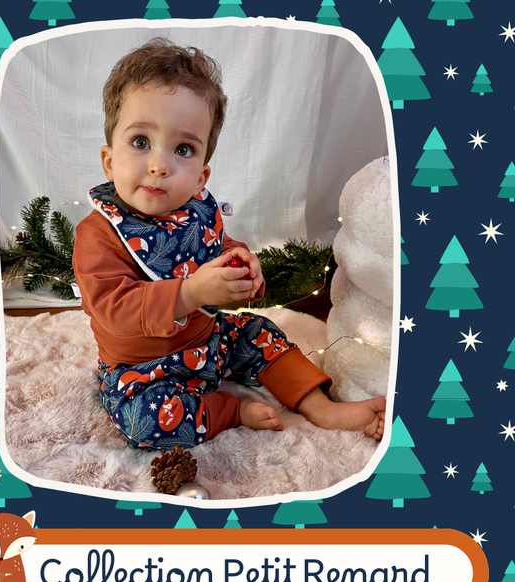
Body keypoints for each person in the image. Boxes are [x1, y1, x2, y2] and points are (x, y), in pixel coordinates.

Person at [72, 37, 385, 450]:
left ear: (201, 177)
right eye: (141, 142)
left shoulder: (195, 210)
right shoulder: (98, 234)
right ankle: (227, 410)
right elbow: (115, 309)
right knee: (144, 422)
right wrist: (190, 293)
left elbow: (215, 244)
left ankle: (319, 405)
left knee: (260, 331)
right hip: (143, 370)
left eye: (183, 149)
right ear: (110, 162)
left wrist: (239, 262)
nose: (159, 165)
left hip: (211, 343)